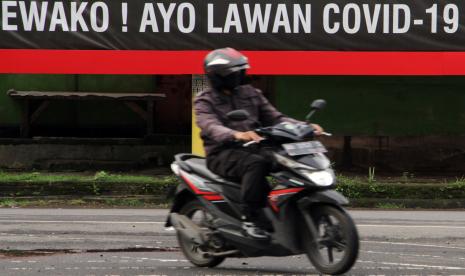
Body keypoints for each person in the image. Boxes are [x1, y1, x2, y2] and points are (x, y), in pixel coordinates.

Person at [194, 48, 323, 239]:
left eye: (240, 71)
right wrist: (236, 134)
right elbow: (210, 126)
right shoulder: (204, 101)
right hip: (222, 154)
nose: (239, 75)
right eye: (234, 72)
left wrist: (304, 127)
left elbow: (276, 118)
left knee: (287, 159)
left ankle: (287, 209)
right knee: (256, 163)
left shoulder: (251, 93)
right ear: (219, 76)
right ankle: (250, 219)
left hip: (256, 148)